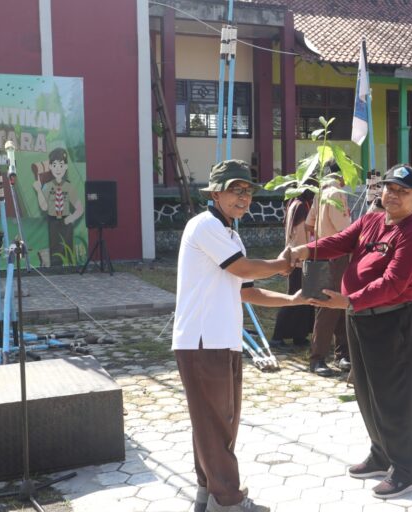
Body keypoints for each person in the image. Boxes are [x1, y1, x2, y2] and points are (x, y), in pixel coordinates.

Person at [288, 164, 412, 500]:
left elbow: (394, 284)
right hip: (361, 318)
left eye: (403, 191)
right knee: (367, 391)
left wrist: (349, 301)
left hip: (392, 322)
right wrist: (306, 249)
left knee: (394, 397)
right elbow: (341, 241)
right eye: (390, 188)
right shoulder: (373, 220)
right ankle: (381, 455)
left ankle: (406, 470)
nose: (394, 195)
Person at [173, 160, 304, 512]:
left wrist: (293, 300)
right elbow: (243, 268)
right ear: (215, 193)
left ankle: (209, 494)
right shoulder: (205, 226)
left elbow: (246, 290)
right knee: (217, 425)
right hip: (203, 341)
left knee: (216, 423)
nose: (243, 197)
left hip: (223, 341)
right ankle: (228, 501)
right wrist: (281, 264)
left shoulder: (230, 234)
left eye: (247, 191)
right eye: (235, 190)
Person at [305, 169, 352, 376]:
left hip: (321, 253)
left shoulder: (320, 192)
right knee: (329, 305)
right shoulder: (336, 193)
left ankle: (341, 354)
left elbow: (309, 224)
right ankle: (319, 358)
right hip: (336, 255)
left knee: (337, 304)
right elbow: (345, 231)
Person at [269, 185, 315, 349]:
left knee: (304, 300)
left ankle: (299, 336)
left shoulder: (295, 203)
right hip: (299, 260)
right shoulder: (301, 206)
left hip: (298, 258)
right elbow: (301, 236)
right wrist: (305, 256)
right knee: (294, 298)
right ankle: (277, 337)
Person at [32, 147, 84, 266]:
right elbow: (44, 207)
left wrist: (71, 218)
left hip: (66, 224)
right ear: (50, 167)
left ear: (65, 167)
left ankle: (69, 269)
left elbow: (80, 209)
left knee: (67, 253)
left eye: (61, 165)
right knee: (55, 254)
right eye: (55, 165)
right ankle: (56, 269)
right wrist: (39, 191)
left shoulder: (68, 187)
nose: (58, 169)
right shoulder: (47, 186)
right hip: (53, 223)